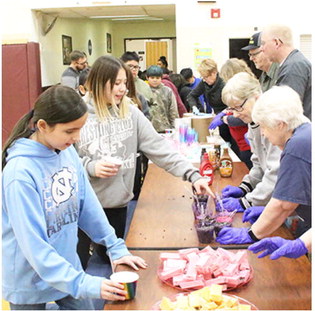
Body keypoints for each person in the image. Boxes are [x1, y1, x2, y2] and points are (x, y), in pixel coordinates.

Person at [2, 85, 147, 310]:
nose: (76, 138)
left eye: (80, 129)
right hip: (28, 278)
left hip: (66, 268)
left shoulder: (66, 151)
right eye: (70, 131)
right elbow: (34, 246)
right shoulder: (20, 173)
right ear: (42, 126)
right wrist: (83, 283)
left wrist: (113, 245)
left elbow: (86, 204)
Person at [75, 56, 214, 263]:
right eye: (115, 84)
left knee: (110, 263)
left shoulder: (131, 113)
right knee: (79, 265)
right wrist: (90, 166)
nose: (122, 89)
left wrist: (194, 176)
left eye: (124, 83)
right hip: (82, 206)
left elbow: (160, 149)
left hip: (116, 205)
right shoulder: (78, 113)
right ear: (98, 83)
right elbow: (61, 159)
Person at [217, 85, 311, 245]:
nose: (262, 133)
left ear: (280, 124)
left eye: (264, 127)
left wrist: (252, 234)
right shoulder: (305, 132)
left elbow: (284, 203)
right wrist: (270, 212)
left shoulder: (296, 146)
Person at [217, 72, 281, 212]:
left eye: (238, 107)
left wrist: (247, 202)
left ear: (256, 98)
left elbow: (275, 173)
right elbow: (259, 164)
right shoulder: (253, 122)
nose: (235, 115)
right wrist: (245, 187)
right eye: (231, 109)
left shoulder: (274, 123)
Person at [186, 59, 238, 156]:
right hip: (219, 117)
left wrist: (222, 115)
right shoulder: (204, 83)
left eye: (206, 77)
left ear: (214, 73)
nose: (204, 80)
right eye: (203, 77)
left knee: (232, 148)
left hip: (230, 117)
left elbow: (233, 105)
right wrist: (194, 107)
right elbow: (191, 96)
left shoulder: (224, 83)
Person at [210, 58, 255, 169]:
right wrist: (224, 113)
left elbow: (242, 117)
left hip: (247, 146)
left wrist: (224, 119)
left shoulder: (246, 90)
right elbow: (234, 108)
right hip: (240, 143)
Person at [260, 24, 312, 119]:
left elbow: (287, 112)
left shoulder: (293, 67)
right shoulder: (292, 64)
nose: (261, 48)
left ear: (276, 42)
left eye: (263, 43)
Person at [146, 65, 179, 133]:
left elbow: (173, 111)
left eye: (157, 78)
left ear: (161, 78)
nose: (155, 80)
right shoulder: (144, 91)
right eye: (152, 78)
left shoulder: (167, 91)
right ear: (147, 78)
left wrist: (174, 127)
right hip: (148, 129)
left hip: (165, 128)